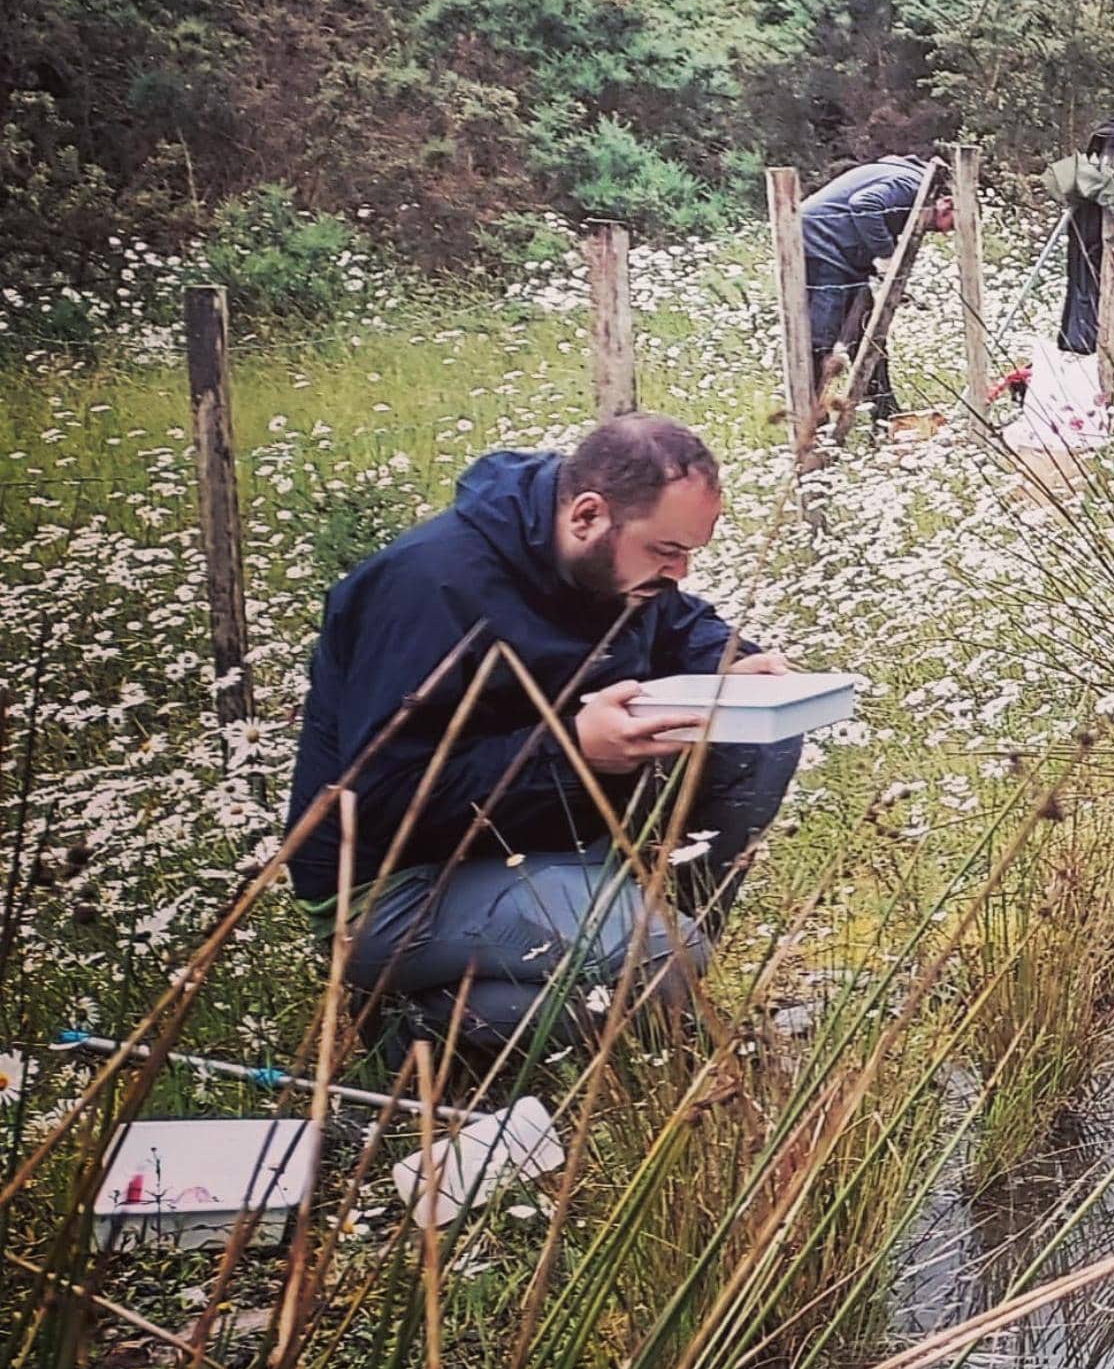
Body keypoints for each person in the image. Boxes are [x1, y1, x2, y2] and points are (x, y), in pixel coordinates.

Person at [285, 413, 801, 1051]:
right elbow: (385, 796)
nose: (680, 573)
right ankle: (412, 1034)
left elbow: (676, 621)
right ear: (586, 514)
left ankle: (638, 979)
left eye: (690, 553)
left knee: (757, 738)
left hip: (535, 839)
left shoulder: (607, 565)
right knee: (659, 957)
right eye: (668, 551)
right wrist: (572, 751)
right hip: (396, 885)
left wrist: (731, 659)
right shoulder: (427, 586)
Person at [800, 155, 955, 422]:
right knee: (822, 339)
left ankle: (883, 412)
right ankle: (813, 421)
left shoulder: (908, 180)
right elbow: (865, 205)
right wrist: (885, 256)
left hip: (840, 250)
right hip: (823, 240)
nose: (944, 233)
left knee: (869, 333)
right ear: (948, 204)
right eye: (950, 225)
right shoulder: (912, 185)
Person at [1042, 119, 1114, 359]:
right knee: (1085, 299)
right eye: (1106, 148)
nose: (1111, 154)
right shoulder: (1082, 177)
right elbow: (1056, 181)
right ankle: (1081, 340)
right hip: (1087, 254)